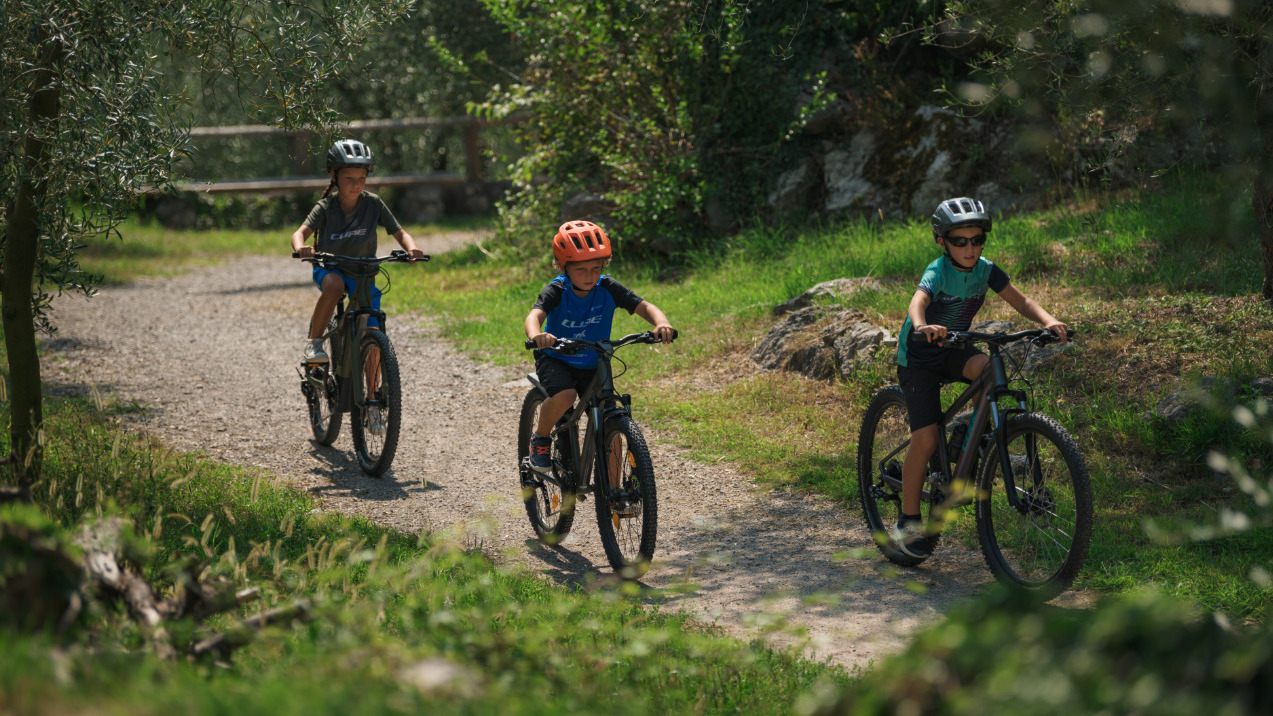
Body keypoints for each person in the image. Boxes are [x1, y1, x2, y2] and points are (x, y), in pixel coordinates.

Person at [892, 197, 1068, 558]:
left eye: (977, 240)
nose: (970, 248)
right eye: (960, 241)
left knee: (989, 370)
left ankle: (972, 430)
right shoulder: (938, 270)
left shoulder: (986, 270)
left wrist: (1048, 321)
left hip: (955, 347)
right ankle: (908, 520)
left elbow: (1021, 301)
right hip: (920, 356)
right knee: (924, 441)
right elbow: (917, 302)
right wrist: (924, 325)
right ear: (942, 242)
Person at [523, 220, 675, 475]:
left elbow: (644, 306)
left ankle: (614, 497)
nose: (590, 275)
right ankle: (540, 438)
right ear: (563, 267)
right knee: (565, 396)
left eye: (596, 267)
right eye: (581, 269)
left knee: (611, 424)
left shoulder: (608, 288)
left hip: (595, 362)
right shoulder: (557, 290)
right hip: (557, 358)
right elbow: (534, 315)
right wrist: (537, 335)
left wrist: (662, 323)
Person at [291, 139, 426, 365]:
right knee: (335, 285)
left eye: (361, 179)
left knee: (373, 336)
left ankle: (374, 395)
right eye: (349, 179)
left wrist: (411, 249)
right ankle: (314, 343)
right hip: (330, 268)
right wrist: (302, 248)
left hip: (363, 274)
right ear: (334, 176)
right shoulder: (325, 207)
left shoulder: (373, 204)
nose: (356, 185)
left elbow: (401, 233)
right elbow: (299, 234)